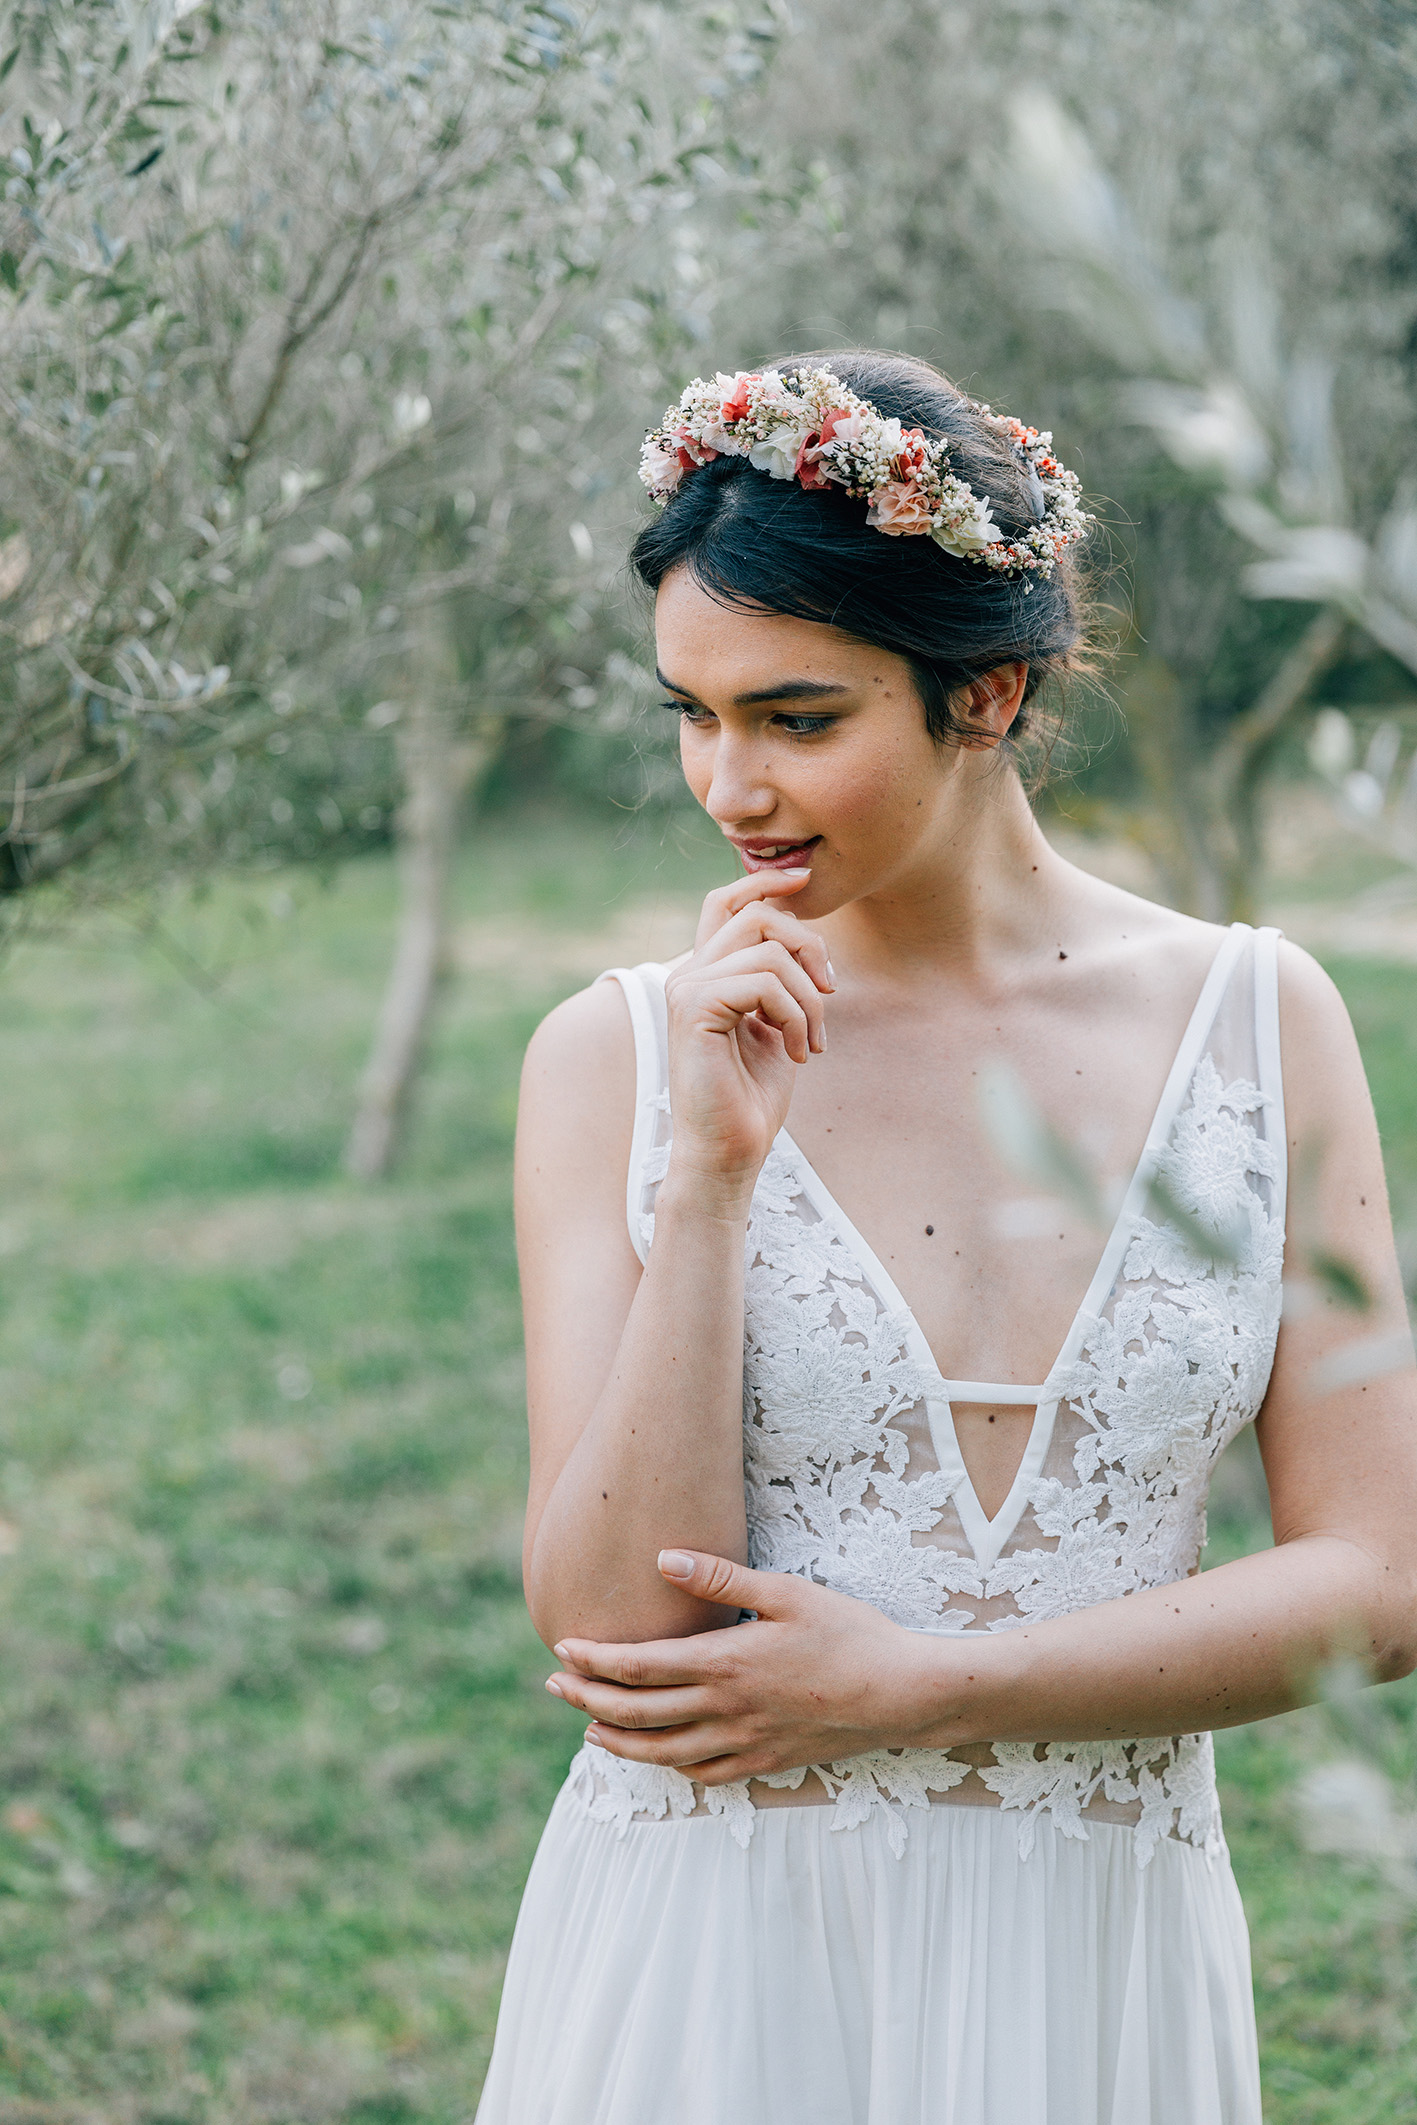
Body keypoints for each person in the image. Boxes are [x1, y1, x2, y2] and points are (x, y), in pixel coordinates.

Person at [474, 353, 1417, 2125]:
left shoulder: (1256, 1022)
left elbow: (1379, 1577)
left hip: (1097, 1960)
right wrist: (708, 1180)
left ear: (984, 692)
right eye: (691, 711)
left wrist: (935, 1686)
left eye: (797, 718)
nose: (726, 785)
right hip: (713, 1961)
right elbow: (613, 1634)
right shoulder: (611, 1055)